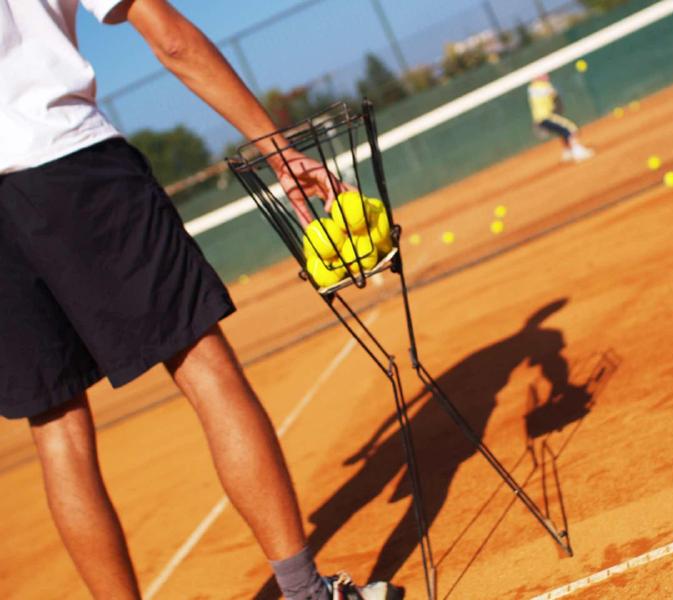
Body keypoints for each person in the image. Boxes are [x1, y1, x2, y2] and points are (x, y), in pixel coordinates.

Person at [0, 1, 402, 599]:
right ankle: (306, 594)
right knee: (203, 365)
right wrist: (278, 150)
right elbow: (171, 40)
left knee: (56, 430)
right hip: (70, 165)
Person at [527, 74, 594, 163]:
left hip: (540, 118)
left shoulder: (532, 88)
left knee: (563, 131)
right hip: (547, 116)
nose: (547, 77)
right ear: (538, 78)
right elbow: (553, 94)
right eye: (543, 76)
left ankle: (568, 153)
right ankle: (578, 152)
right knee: (571, 129)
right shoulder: (544, 86)